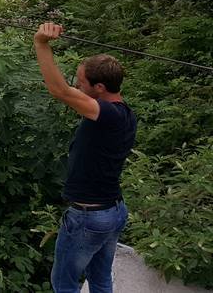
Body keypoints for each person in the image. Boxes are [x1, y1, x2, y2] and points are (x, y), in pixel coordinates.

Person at [34, 22, 137, 293]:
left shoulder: (108, 116)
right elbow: (69, 92)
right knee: (100, 279)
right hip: (113, 210)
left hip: (89, 217)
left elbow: (60, 92)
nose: (76, 86)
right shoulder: (124, 112)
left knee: (63, 284)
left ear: (100, 87)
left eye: (81, 82)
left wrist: (41, 44)